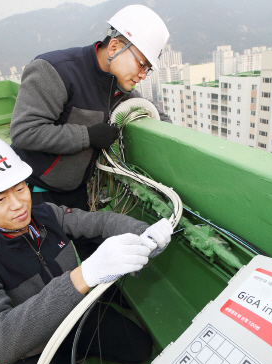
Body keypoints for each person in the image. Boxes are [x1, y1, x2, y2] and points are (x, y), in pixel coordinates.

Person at [0, 132, 173, 364]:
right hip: (32, 349)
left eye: (20, 189)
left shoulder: (47, 215)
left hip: (76, 314)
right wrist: (83, 275)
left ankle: (77, 352)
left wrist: (144, 232)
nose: (18, 205)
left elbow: (99, 223)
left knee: (139, 349)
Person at [9, 4, 171, 213]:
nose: (142, 74)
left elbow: (148, 109)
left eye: (147, 70)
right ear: (114, 47)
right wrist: (87, 136)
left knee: (92, 244)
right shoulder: (55, 70)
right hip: (34, 192)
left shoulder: (117, 84)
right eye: (142, 64)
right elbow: (24, 131)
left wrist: (170, 132)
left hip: (76, 191)